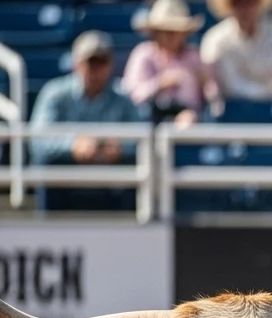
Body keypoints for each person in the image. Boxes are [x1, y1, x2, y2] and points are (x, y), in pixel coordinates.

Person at [31, 32, 146, 209]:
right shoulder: (55, 93)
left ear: (110, 65)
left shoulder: (123, 98)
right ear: (77, 64)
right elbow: (37, 140)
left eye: (102, 62)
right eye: (91, 62)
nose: (97, 69)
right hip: (65, 179)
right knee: (47, 164)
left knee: (136, 168)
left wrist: (120, 149)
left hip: (110, 182)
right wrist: (73, 146)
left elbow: (141, 139)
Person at [122, 0, 218, 125]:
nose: (170, 37)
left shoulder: (195, 57)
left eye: (174, 31)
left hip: (190, 123)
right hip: (150, 121)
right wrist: (160, 84)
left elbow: (212, 96)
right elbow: (132, 95)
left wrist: (204, 83)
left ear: (184, 33)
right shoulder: (143, 54)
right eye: (165, 31)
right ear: (155, 32)